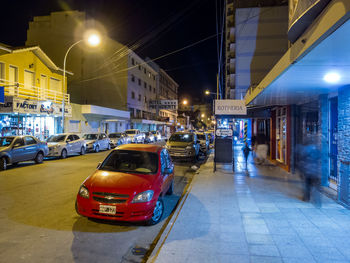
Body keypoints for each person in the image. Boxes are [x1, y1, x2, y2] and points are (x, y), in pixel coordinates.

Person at [297, 138, 322, 204]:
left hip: (307, 170)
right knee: (315, 184)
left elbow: (301, 159)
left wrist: (301, 170)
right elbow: (320, 159)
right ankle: (317, 198)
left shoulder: (304, 149)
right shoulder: (317, 149)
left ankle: (306, 197)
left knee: (307, 184)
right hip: (315, 170)